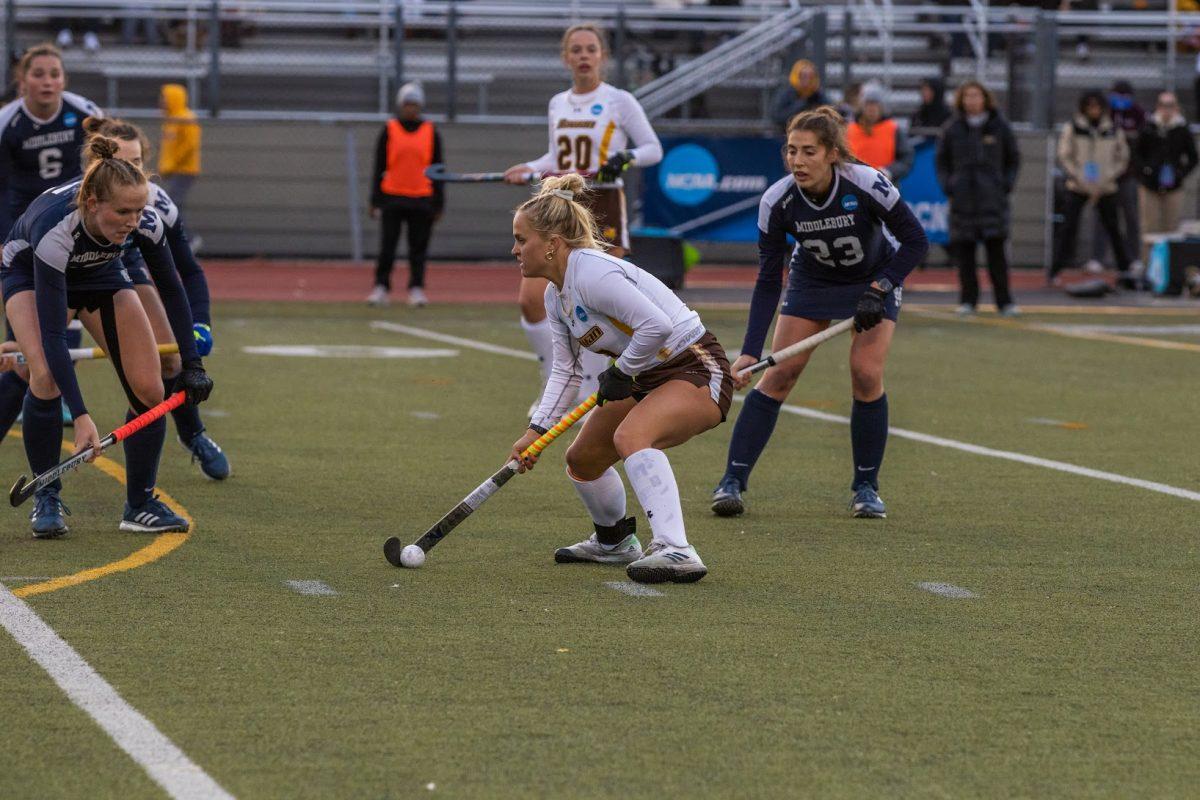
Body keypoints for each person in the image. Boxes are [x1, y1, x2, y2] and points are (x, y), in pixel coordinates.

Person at [508, 174, 732, 584]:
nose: (515, 249)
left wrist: (622, 371)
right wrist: (536, 429)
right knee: (582, 460)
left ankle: (676, 549)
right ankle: (613, 542)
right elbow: (567, 370)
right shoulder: (554, 295)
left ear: (552, 243)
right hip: (641, 376)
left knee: (631, 437)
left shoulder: (592, 272)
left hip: (694, 367)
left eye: (522, 240)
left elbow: (657, 326)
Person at [710, 107, 928, 519]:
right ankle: (732, 481)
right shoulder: (777, 200)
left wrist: (881, 288)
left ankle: (866, 487)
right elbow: (768, 278)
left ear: (831, 153)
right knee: (779, 375)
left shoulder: (866, 182)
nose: (797, 161)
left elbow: (916, 240)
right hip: (814, 282)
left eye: (808, 151)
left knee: (866, 373)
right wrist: (750, 351)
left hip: (873, 279)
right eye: (791, 151)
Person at [0, 136, 212, 537]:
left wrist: (192, 364)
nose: (133, 221)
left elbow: (171, 287)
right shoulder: (55, 229)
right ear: (93, 204)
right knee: (43, 373)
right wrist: (80, 416)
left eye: (138, 210)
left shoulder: (144, 222)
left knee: (150, 390)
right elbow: (53, 335)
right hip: (28, 273)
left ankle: (140, 505)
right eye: (122, 212)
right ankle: (47, 493)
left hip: (100, 273)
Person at [503, 23, 662, 410]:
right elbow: (556, 157)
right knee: (532, 299)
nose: (584, 55)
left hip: (604, 205)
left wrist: (624, 159)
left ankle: (591, 388)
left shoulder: (619, 100)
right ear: (566, 57)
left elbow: (652, 149)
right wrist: (529, 167)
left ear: (602, 56)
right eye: (576, 50)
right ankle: (555, 380)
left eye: (591, 49)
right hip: (561, 208)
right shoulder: (558, 103)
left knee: (596, 302)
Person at [82, 116, 230, 479]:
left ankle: (192, 434)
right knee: (34, 368)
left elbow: (188, 273)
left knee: (172, 361)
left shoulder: (159, 204)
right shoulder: (77, 198)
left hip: (124, 269)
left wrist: (199, 325)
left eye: (136, 164)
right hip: (71, 271)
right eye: (117, 163)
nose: (129, 173)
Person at [0, 43, 102, 433]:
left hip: (71, 221)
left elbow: (107, 163)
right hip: (22, 226)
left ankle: (53, 388)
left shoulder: (85, 113)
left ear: (64, 79)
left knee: (68, 299)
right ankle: (31, 384)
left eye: (54, 74)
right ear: (21, 80)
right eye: (38, 74)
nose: (47, 81)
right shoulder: (8, 121)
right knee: (25, 303)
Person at [935, 80, 1021, 316]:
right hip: (963, 201)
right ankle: (968, 301)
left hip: (992, 200)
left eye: (976, 96)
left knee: (997, 256)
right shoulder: (952, 128)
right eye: (968, 96)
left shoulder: (999, 126)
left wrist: (1005, 185)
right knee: (966, 256)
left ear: (985, 98)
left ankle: (1004, 302)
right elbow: (941, 161)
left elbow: (1013, 158)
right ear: (961, 100)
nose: (972, 100)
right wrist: (950, 186)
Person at [367, 82, 444, 308]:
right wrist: (375, 199)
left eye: (414, 104)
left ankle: (416, 288)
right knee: (387, 246)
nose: (411, 109)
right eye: (407, 104)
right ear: (401, 105)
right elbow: (379, 166)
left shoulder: (431, 131)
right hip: (392, 196)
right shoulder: (389, 129)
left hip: (421, 198)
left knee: (418, 247)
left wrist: (438, 202)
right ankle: (381, 286)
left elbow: (439, 168)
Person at [1050, 90, 1133, 287]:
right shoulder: (1073, 128)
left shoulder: (1112, 129)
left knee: (1113, 229)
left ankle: (1125, 270)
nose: (1094, 111)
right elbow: (1065, 155)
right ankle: (1056, 269)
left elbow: (1123, 157)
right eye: (1090, 107)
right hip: (1078, 186)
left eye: (1097, 107)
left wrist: (1107, 177)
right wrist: (1078, 177)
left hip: (1105, 187)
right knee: (1068, 228)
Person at [1087, 80, 1146, 274]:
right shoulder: (1104, 115)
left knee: (1131, 217)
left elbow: (1143, 144)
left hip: (1127, 175)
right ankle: (1097, 257)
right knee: (1102, 218)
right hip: (1105, 176)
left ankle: (1133, 258)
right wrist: (1092, 175)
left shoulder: (1138, 114)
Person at [1134, 91, 1198, 265]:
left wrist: (1180, 174)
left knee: (1171, 229)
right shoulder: (1149, 127)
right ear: (1158, 107)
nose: (1166, 110)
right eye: (1163, 105)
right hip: (1150, 185)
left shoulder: (1182, 129)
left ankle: (1170, 271)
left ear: (1176, 108)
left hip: (1173, 186)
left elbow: (1192, 158)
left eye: (1170, 106)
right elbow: (1136, 154)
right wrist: (1145, 172)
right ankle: (1148, 268)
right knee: (1150, 228)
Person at [846, 86, 913, 182]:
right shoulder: (849, 129)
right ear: (862, 106)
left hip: (885, 186)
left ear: (882, 107)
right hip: (855, 184)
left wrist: (889, 171)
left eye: (875, 104)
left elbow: (906, 159)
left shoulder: (894, 129)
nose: (871, 109)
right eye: (868, 104)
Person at [158, 84, 201, 216]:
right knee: (172, 205)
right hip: (174, 170)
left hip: (184, 170)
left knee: (173, 206)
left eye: (164, 97)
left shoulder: (186, 118)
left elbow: (189, 145)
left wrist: (172, 164)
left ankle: (186, 237)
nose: (161, 100)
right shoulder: (170, 120)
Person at [771, 59, 830, 132]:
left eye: (810, 77)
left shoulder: (818, 95)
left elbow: (829, 114)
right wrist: (802, 103)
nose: (807, 81)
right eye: (803, 76)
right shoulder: (787, 94)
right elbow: (778, 117)